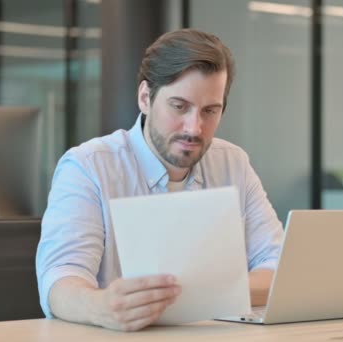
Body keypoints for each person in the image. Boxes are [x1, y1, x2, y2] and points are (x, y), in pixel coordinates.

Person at [36, 29, 284, 332]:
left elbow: (280, 268)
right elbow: (60, 281)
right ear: (145, 97)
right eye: (179, 107)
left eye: (210, 111)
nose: (194, 127)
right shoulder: (88, 167)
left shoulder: (233, 163)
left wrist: (200, 294)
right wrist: (101, 307)